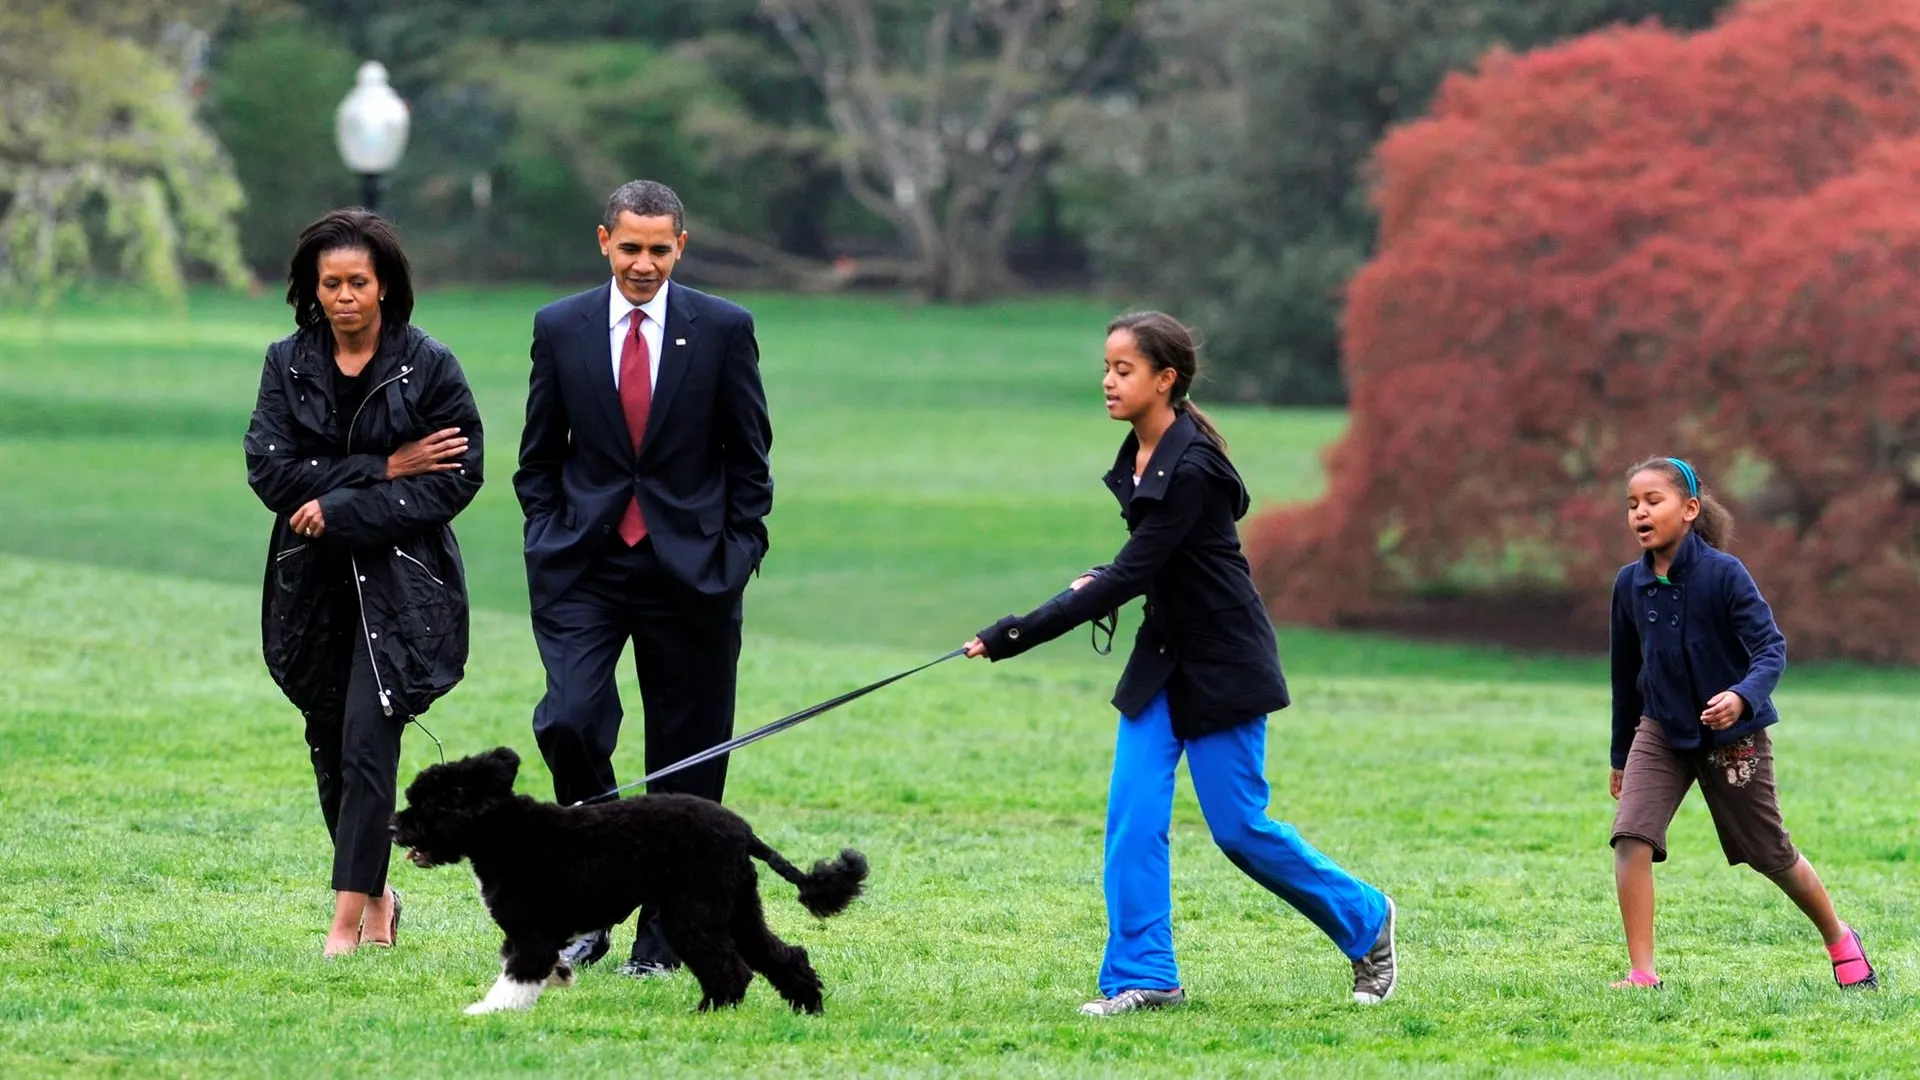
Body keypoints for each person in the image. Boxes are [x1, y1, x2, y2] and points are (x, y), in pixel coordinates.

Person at [964, 312, 1398, 1015]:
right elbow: (1149, 564)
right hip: (1164, 659)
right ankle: (1145, 976)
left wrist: (1018, 632)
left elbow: (1136, 572)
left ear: (1165, 380)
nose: (1108, 381)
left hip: (1223, 663)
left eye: (1124, 370)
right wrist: (1102, 579)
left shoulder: (1192, 466)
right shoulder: (1140, 458)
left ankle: (1366, 919)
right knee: (1132, 818)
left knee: (1239, 829)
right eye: (1105, 367)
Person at [515, 179, 773, 977]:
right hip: (584, 566)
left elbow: (750, 462)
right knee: (569, 721)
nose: (644, 264)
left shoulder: (725, 329)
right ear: (604, 242)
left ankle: (659, 941)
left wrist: (732, 558)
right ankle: (591, 897)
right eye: (631, 248)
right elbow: (538, 458)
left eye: (660, 249)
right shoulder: (559, 327)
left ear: (680, 247)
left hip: (693, 574)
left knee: (688, 763)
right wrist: (548, 539)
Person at [244, 208, 484, 958]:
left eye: (357, 282)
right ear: (312, 290)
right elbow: (272, 469)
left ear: (384, 287)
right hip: (308, 586)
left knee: (366, 743)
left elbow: (456, 476)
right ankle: (379, 895)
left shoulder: (430, 366)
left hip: (403, 591)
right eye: (330, 284)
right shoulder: (287, 361)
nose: (344, 296)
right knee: (328, 740)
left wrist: (340, 506)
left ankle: (344, 927)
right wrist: (384, 466)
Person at [1607, 457, 1877, 990]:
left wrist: (1741, 697)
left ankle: (1840, 937)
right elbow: (1625, 674)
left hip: (1732, 737)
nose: (1640, 512)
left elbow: (1770, 649)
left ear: (1688, 510)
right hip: (1660, 729)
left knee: (1768, 852)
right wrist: (1620, 755)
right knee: (1630, 837)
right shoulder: (1628, 585)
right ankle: (1642, 973)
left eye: (1652, 501)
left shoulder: (1723, 574)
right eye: (1632, 504)